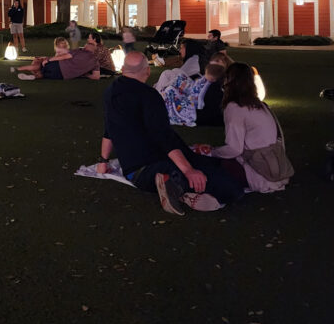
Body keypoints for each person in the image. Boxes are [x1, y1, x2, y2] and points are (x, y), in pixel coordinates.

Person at [96, 51, 243, 214]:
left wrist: (103, 161)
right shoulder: (149, 96)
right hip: (156, 164)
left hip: (133, 172)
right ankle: (177, 184)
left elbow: (108, 128)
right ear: (147, 71)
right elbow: (164, 137)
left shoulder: (110, 92)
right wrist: (189, 170)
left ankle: (176, 185)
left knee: (210, 165)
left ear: (123, 69)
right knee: (232, 188)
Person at [205, 62, 292, 193]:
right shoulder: (260, 104)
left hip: (260, 172)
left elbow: (234, 149)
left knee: (210, 164)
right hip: (277, 167)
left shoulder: (235, 108)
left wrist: (212, 152)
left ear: (229, 82)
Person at [14, 37, 100, 81]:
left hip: (59, 66)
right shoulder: (96, 62)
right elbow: (96, 76)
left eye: (87, 43)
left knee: (39, 65)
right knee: (43, 75)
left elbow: (65, 56)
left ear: (88, 47)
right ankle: (35, 76)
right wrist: (85, 75)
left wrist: (48, 59)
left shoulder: (80, 51)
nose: (85, 44)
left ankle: (20, 69)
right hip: (63, 76)